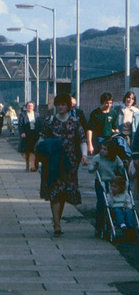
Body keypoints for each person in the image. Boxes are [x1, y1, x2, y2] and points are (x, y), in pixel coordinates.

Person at [36, 93, 88, 236]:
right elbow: (41, 138)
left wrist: (84, 155)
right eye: (58, 104)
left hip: (70, 163)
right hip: (53, 163)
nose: (60, 107)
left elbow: (82, 140)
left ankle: (57, 219)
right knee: (55, 191)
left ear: (68, 106)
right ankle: (57, 224)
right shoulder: (49, 121)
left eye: (63, 104)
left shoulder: (75, 122)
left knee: (64, 192)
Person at [88, 140, 125, 237]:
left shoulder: (115, 159)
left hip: (112, 182)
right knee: (101, 203)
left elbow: (121, 167)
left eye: (105, 149)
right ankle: (99, 226)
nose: (102, 151)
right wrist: (94, 167)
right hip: (101, 182)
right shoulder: (98, 158)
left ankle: (110, 224)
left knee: (112, 203)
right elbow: (90, 169)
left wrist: (123, 167)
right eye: (101, 149)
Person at [87, 92, 119, 156]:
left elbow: (116, 128)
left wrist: (115, 133)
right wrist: (90, 144)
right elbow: (89, 130)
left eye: (110, 103)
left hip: (110, 139)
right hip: (99, 139)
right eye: (106, 103)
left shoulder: (113, 113)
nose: (109, 105)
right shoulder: (95, 113)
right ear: (102, 102)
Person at [115, 91, 139, 159]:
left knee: (129, 156)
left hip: (131, 137)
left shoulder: (136, 112)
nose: (130, 100)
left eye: (132, 98)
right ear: (125, 98)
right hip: (120, 136)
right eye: (128, 97)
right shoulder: (119, 109)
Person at [18, 101, 40, 171]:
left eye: (31, 106)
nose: (30, 107)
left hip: (34, 134)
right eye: (28, 106)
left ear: (33, 107)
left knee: (33, 150)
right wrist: (22, 133)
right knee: (26, 150)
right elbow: (20, 125)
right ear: (26, 107)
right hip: (26, 134)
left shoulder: (37, 115)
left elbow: (39, 124)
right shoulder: (22, 115)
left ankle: (32, 166)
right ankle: (27, 165)